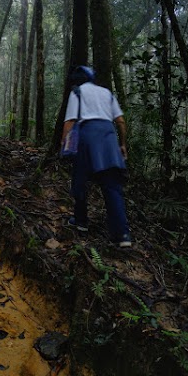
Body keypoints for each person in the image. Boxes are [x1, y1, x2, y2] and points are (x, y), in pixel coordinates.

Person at [62, 65, 131, 247]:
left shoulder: (76, 93)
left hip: (87, 137)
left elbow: (69, 122)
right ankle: (122, 235)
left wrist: (64, 145)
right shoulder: (107, 93)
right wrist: (122, 145)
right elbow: (121, 122)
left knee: (80, 180)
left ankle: (81, 221)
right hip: (109, 138)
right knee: (112, 186)